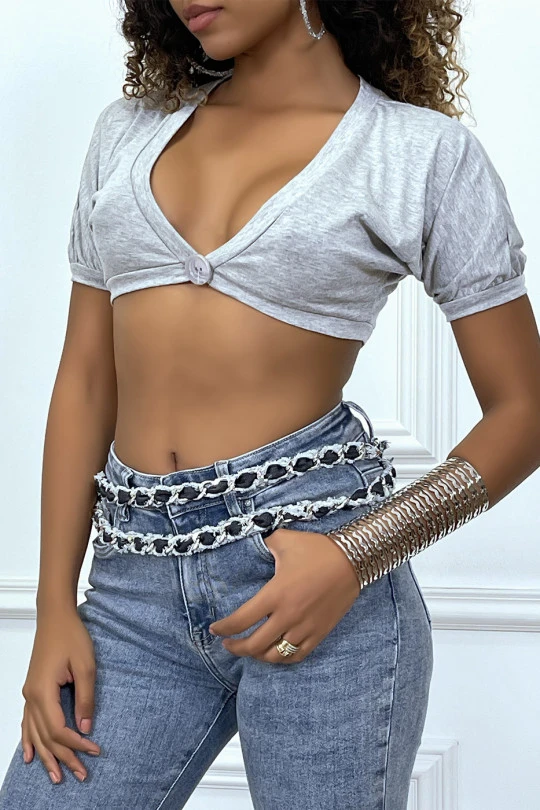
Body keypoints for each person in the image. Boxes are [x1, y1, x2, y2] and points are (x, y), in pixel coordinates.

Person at [1, 1, 539, 808]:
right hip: (130, 592)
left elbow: (524, 411)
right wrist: (54, 608)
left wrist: (356, 555)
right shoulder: (127, 134)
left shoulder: (419, 154)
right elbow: (85, 377)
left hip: (321, 577)